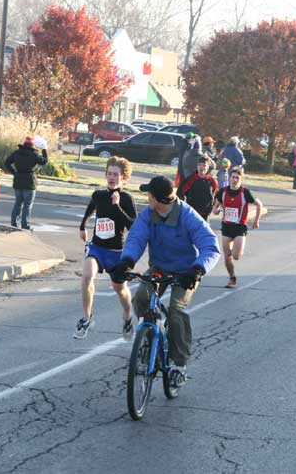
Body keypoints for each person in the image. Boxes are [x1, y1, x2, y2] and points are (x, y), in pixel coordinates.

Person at [110, 176, 220, 381]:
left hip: (186, 272)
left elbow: (211, 246)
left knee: (176, 311)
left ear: (159, 199)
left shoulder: (187, 215)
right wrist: (126, 262)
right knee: (142, 298)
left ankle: (179, 363)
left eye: (149, 195)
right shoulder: (148, 215)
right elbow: (136, 238)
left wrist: (198, 269)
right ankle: (151, 337)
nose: (147, 198)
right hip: (159, 267)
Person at [75, 157, 137, 340]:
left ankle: (127, 318)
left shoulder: (126, 198)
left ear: (124, 177)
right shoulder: (98, 195)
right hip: (97, 247)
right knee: (87, 277)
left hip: (117, 252)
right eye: (109, 174)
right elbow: (90, 209)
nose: (112, 177)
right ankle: (87, 318)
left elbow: (133, 226)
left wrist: (117, 206)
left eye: (116, 174)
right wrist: (82, 226)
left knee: (120, 289)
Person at [212, 167, 263, 289]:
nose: (235, 180)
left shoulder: (245, 192)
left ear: (241, 180)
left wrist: (256, 220)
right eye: (233, 177)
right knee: (227, 255)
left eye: (237, 178)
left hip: (240, 227)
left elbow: (259, 205)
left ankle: (238, 251)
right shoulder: (222, 192)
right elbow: (215, 208)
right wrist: (216, 210)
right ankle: (232, 277)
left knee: (236, 256)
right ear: (229, 178)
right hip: (226, 227)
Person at [5, 135, 48, 230]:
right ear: (33, 145)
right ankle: (25, 225)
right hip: (30, 182)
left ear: (24, 143)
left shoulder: (16, 153)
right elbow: (44, 161)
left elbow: (7, 163)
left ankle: (14, 224)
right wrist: (44, 149)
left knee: (18, 203)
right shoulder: (34, 155)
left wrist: (14, 172)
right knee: (27, 205)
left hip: (18, 181)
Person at [177, 156, 219, 220]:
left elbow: (216, 195)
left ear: (208, 168)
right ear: (197, 166)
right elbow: (180, 193)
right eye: (199, 165)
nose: (201, 167)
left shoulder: (212, 181)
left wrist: (214, 207)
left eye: (204, 165)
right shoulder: (191, 179)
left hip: (205, 214)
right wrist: (182, 207)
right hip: (192, 212)